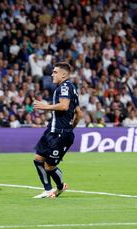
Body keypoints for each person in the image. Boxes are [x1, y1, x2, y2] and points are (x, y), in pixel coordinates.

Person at [32, 62, 83, 198]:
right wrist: (71, 127)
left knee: (49, 166)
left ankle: (60, 187)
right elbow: (79, 113)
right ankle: (48, 189)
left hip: (60, 133)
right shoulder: (69, 88)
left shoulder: (65, 87)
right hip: (52, 131)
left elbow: (64, 106)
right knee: (38, 159)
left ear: (64, 74)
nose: (52, 74)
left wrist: (45, 106)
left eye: (55, 72)